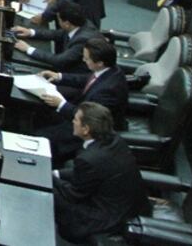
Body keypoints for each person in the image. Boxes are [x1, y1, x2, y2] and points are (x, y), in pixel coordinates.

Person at [53, 102, 150, 242]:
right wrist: (57, 173)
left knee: (51, 194)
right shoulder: (115, 140)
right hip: (128, 204)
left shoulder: (89, 159)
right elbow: (95, 172)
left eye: (76, 119)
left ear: (86, 129)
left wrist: (49, 177)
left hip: (110, 216)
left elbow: (74, 195)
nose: (73, 121)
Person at [36, 39, 128, 164]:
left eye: (87, 58)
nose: (84, 60)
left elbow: (90, 117)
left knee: (43, 137)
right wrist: (59, 76)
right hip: (80, 114)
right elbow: (88, 79)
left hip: (90, 130)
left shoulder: (108, 91)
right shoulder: (110, 69)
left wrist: (61, 104)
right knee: (41, 113)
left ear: (100, 63)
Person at [12, 0, 99, 74]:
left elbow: (60, 60)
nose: (58, 22)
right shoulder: (79, 23)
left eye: (59, 20)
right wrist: (31, 32)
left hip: (74, 76)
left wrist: (28, 49)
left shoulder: (82, 40)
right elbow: (58, 34)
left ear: (67, 23)